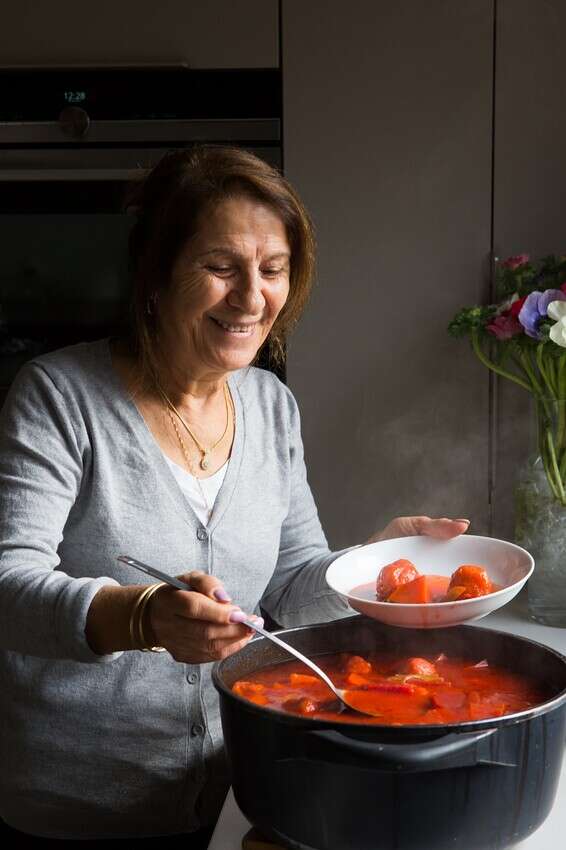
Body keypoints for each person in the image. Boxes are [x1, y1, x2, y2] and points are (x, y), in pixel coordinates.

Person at [0, 145, 470, 842]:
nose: (252, 297)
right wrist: (144, 617)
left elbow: (287, 586)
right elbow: (9, 586)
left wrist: (368, 568)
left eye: (273, 270)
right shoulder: (59, 397)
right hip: (81, 810)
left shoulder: (272, 405)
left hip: (238, 787)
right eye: (221, 267)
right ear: (155, 275)